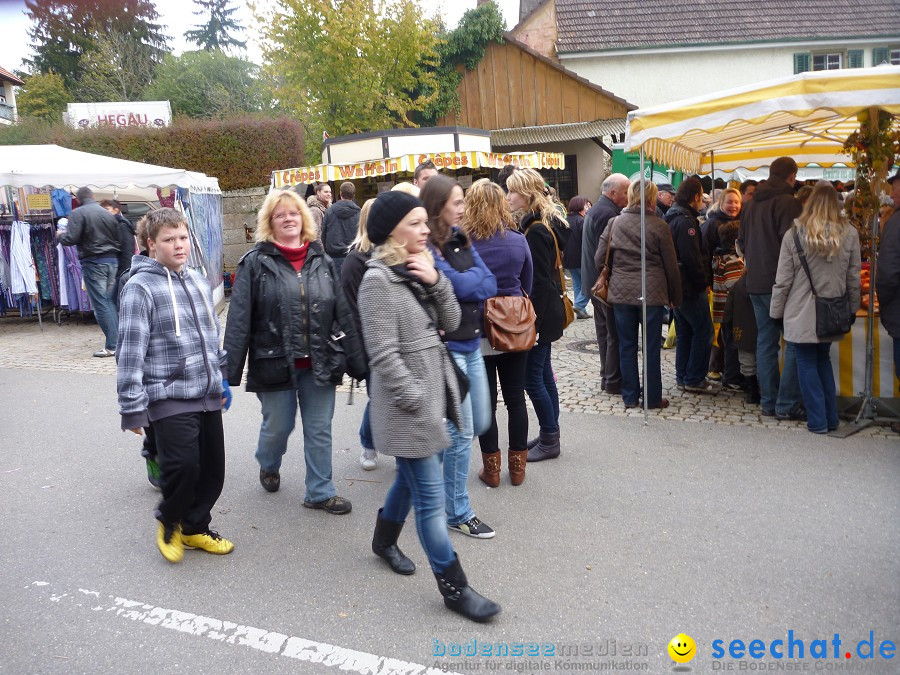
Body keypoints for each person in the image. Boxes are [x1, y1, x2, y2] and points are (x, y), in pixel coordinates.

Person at [359, 190, 501, 622]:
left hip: (436, 391)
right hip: (409, 407)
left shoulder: (414, 269)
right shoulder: (377, 281)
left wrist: (438, 283)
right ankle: (455, 588)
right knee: (431, 500)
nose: (426, 229)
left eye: (425, 222)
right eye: (416, 223)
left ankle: (383, 540)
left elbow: (455, 324)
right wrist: (419, 403)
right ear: (391, 231)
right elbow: (383, 356)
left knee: (412, 476)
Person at [223, 189, 362, 514]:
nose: (288, 218)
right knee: (278, 427)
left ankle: (320, 491)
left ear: (304, 219)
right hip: (273, 363)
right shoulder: (254, 264)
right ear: (269, 222)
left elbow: (342, 311)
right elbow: (239, 318)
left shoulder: (323, 261)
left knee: (319, 428)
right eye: (280, 214)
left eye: (293, 213)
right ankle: (268, 462)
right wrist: (226, 373)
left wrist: (357, 359)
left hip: (320, 362)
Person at [117, 208, 234, 563]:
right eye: (169, 239)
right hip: (167, 394)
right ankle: (169, 520)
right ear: (151, 245)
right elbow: (129, 352)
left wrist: (222, 375)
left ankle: (196, 528)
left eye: (182, 237)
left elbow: (212, 333)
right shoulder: (139, 288)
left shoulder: (198, 280)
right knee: (183, 466)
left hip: (207, 389)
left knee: (214, 470)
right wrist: (132, 407)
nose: (179, 245)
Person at [421, 175, 498, 539]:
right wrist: (466, 283)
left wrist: (464, 283)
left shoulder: (461, 237)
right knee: (463, 430)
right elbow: (454, 284)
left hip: (472, 344)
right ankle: (457, 510)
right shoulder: (427, 247)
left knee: (479, 422)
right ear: (438, 206)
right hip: (448, 349)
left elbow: (488, 282)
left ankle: (427, 481)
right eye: (456, 202)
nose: (463, 207)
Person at [770, 183, 861, 433]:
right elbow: (853, 278)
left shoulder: (794, 234)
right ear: (836, 203)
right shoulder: (850, 233)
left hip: (801, 311)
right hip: (832, 310)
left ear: (809, 203)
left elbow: (783, 280)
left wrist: (776, 312)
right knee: (823, 360)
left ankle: (818, 421)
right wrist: (852, 308)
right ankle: (830, 418)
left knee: (807, 362)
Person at [464, 179, 533, 487]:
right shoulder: (518, 239)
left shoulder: (464, 241)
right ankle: (517, 470)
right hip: (513, 325)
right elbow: (527, 283)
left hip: (478, 329)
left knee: (486, 402)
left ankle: (491, 470)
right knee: (516, 398)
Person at [595, 180, 682, 410]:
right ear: (652, 198)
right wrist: (675, 296)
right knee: (651, 347)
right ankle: (652, 398)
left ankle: (629, 396)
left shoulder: (615, 223)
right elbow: (671, 266)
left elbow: (599, 259)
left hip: (621, 294)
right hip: (651, 295)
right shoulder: (660, 226)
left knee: (627, 346)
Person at [506, 167, 569, 462]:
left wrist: (534, 325)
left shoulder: (537, 230)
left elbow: (541, 283)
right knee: (543, 376)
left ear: (527, 193)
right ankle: (549, 433)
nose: (508, 197)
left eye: (512, 191)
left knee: (533, 380)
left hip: (542, 315)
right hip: (547, 312)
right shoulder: (540, 224)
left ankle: (550, 438)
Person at [737, 157, 805, 419]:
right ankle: (786, 403)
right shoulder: (788, 202)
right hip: (783, 283)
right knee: (794, 342)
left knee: (766, 342)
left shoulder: (753, 204)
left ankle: (768, 402)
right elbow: (797, 246)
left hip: (755, 281)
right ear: (792, 176)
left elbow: (741, 241)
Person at [666, 177, 719, 394]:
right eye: (701, 196)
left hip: (678, 286)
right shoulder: (686, 221)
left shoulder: (673, 216)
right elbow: (692, 258)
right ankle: (695, 377)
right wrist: (703, 282)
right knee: (703, 331)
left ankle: (683, 376)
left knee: (685, 331)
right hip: (689, 286)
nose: (703, 201)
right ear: (695, 196)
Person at [58, 186, 123, 357]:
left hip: (94, 262)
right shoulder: (106, 214)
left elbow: (70, 238)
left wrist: (59, 235)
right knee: (108, 303)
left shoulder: (78, 213)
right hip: (112, 261)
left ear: (79, 199)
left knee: (101, 304)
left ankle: (113, 345)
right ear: (92, 196)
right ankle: (118, 343)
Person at [339, 198, 379, 470]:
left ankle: (401, 448)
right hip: (370, 343)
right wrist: (359, 349)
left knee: (391, 397)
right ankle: (369, 442)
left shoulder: (398, 255)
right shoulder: (355, 260)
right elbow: (348, 308)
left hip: (396, 340)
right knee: (381, 397)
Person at [582, 173, 629, 394]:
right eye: (625, 192)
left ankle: (607, 377)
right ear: (613, 193)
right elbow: (604, 255)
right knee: (612, 334)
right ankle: (612, 380)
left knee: (605, 333)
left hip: (595, 282)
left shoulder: (599, 209)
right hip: (603, 284)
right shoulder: (607, 214)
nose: (628, 197)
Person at [703, 188, 743, 381]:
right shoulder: (712, 224)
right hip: (718, 287)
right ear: (721, 203)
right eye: (730, 202)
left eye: (737, 202)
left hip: (721, 285)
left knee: (723, 330)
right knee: (719, 329)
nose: (733, 205)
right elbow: (705, 253)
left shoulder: (743, 222)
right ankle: (716, 366)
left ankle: (723, 366)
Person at [710, 220, 745, 390]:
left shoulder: (719, 257)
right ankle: (731, 377)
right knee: (732, 344)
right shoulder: (732, 261)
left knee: (727, 341)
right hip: (730, 309)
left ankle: (727, 373)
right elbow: (735, 286)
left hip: (720, 308)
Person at [876, 170, 900, 398]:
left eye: (894, 186)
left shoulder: (895, 223)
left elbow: (887, 272)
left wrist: (883, 299)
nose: (892, 193)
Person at [100, 199, 137, 304]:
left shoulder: (121, 225)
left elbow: (127, 250)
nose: (104, 212)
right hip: (118, 270)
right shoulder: (113, 225)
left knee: (115, 302)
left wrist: (124, 272)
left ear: (116, 210)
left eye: (107, 209)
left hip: (122, 271)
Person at [321, 181, 361, 277]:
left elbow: (324, 234)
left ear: (340, 194)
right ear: (353, 195)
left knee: (336, 287)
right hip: (354, 255)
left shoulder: (330, 211)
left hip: (334, 255)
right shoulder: (359, 212)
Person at [563, 196, 590, 319]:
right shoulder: (581, 221)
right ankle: (579, 305)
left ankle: (582, 312)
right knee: (589, 284)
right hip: (581, 258)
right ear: (580, 206)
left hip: (569, 259)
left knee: (578, 285)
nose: (588, 207)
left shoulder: (564, 220)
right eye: (586, 205)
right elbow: (586, 241)